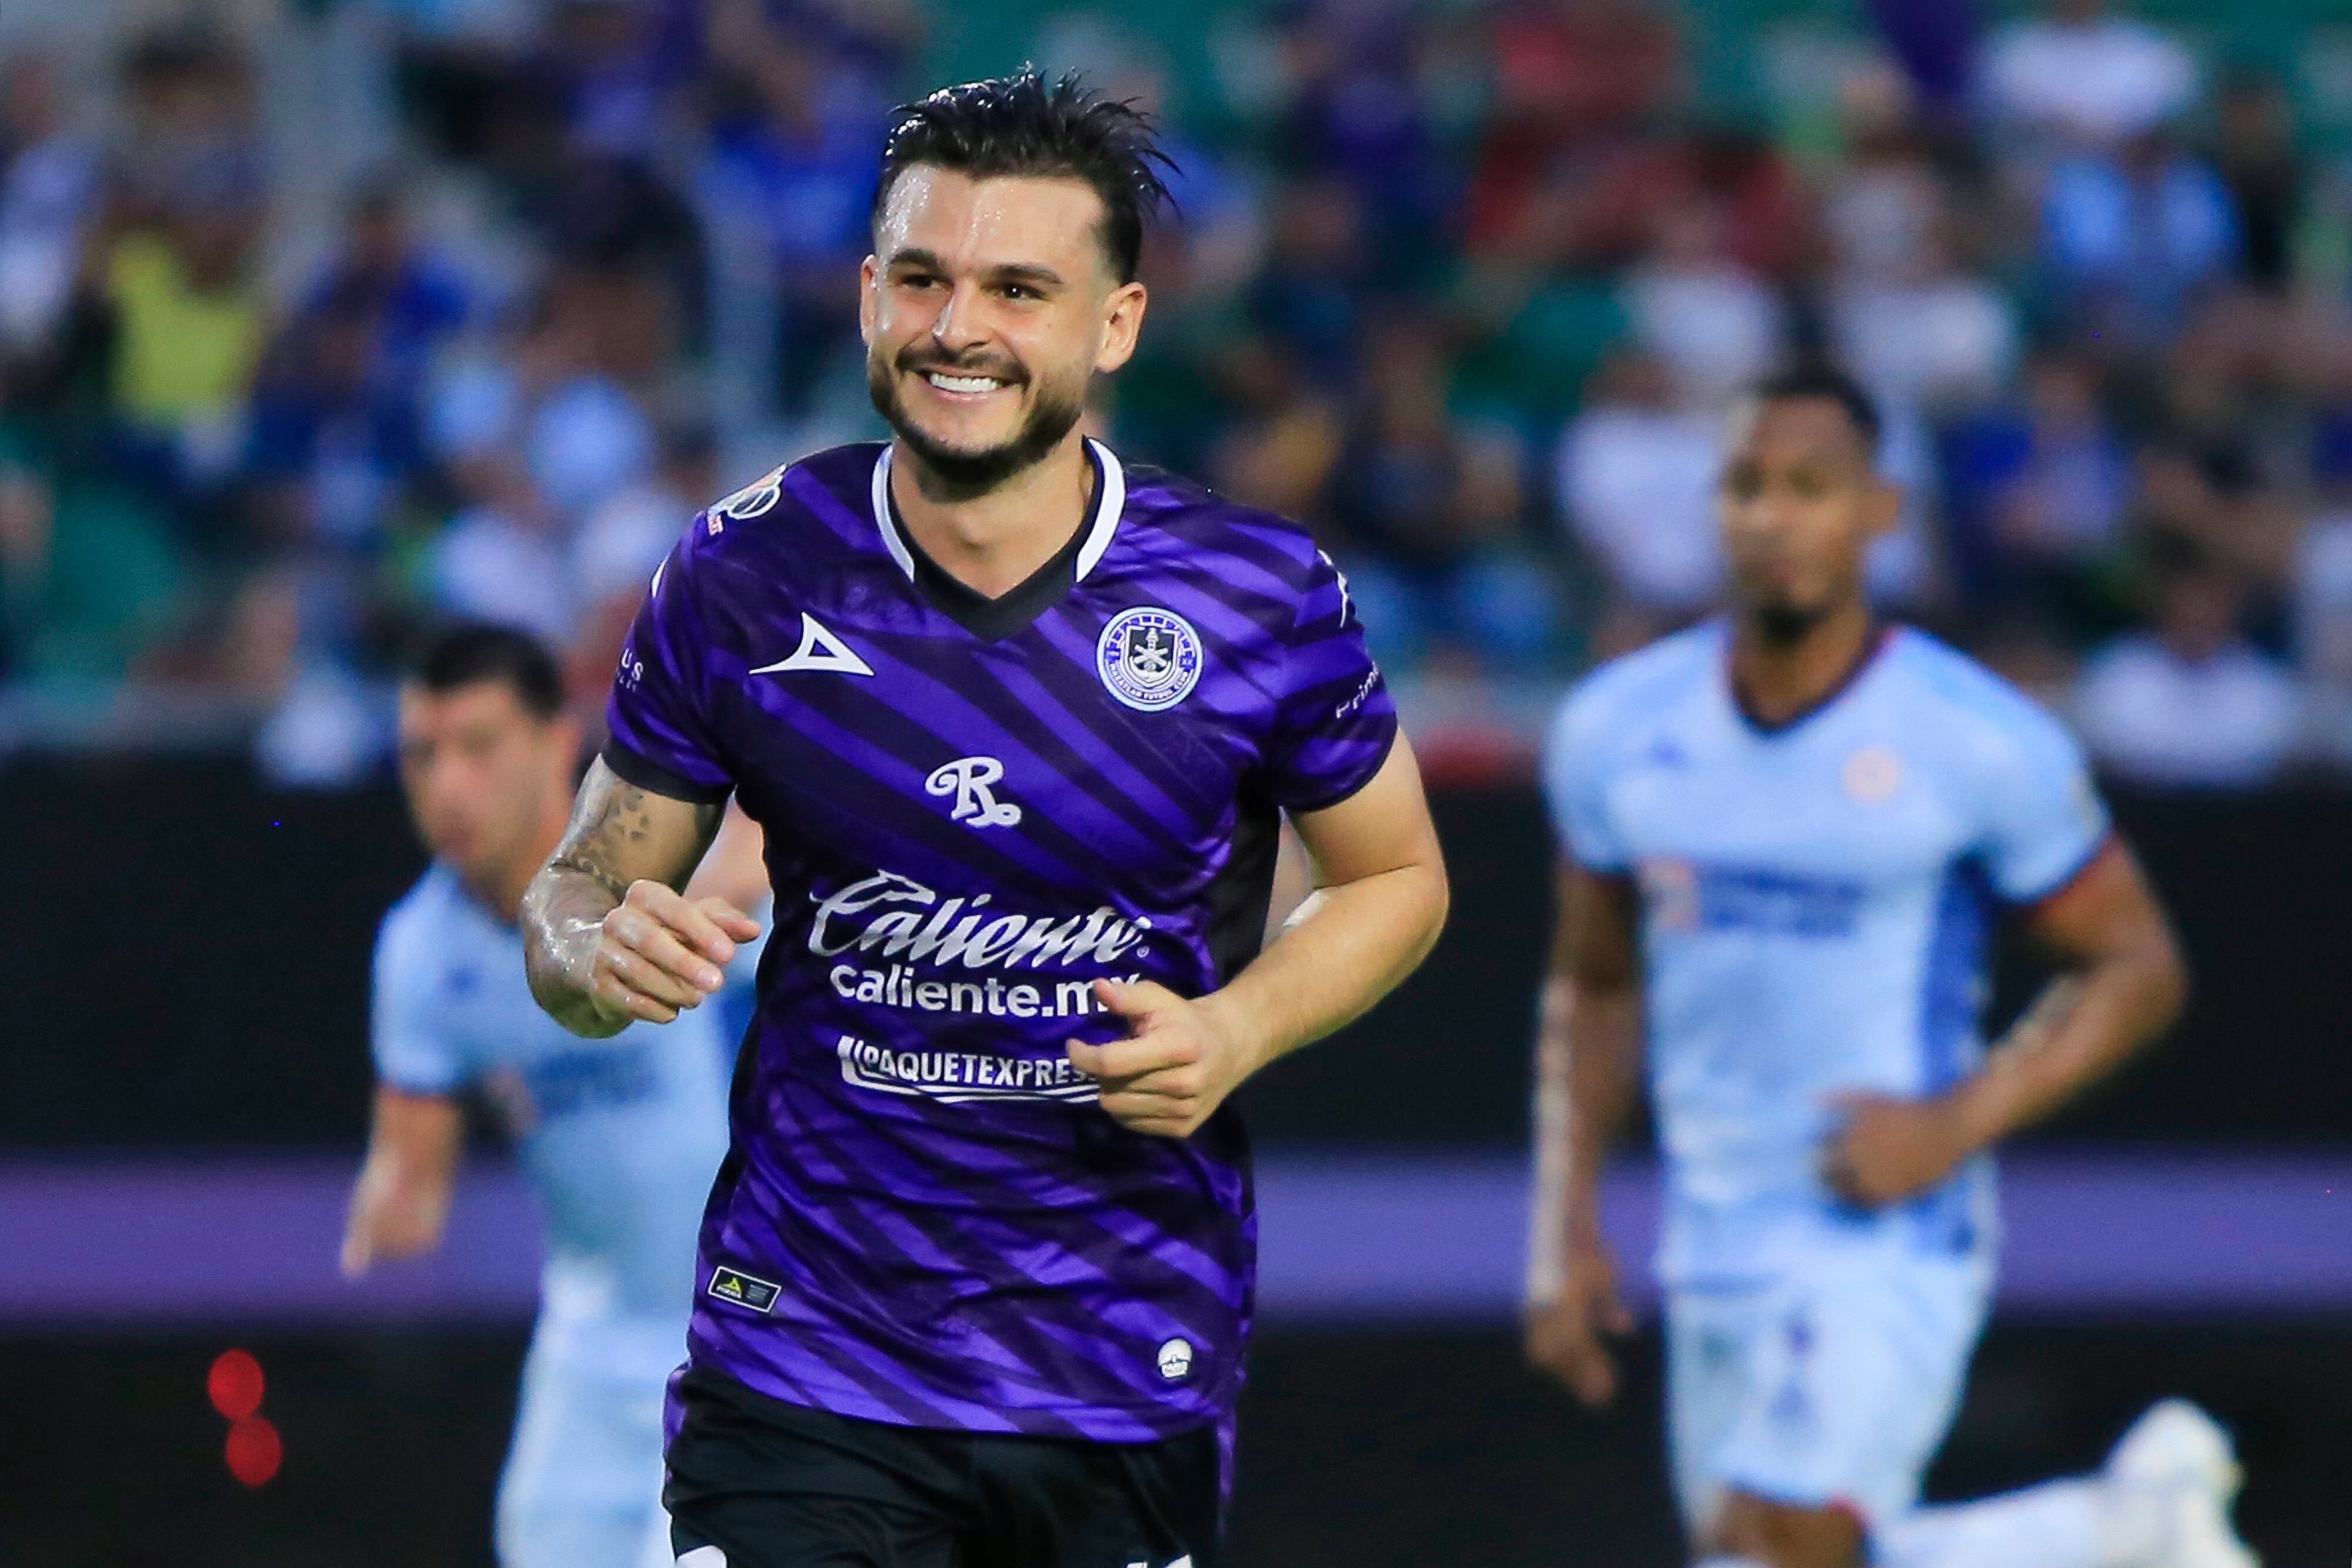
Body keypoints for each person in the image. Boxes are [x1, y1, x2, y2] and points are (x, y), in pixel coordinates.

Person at [519, 72, 1449, 1568]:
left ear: (1116, 323)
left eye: (1018, 287)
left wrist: (1238, 1029)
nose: (959, 328)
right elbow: (569, 899)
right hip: (805, 1349)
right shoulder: (740, 575)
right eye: (922, 277)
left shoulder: (1251, 596)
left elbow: (1398, 874)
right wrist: (592, 946)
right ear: (871, 292)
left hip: (1111, 1348)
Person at [1524, 366, 2256, 1568]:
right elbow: (1593, 982)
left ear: (1879, 511)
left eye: (1809, 486)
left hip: (1883, 1223)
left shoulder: (1973, 740)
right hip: (1710, 1229)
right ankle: (2111, 1530)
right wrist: (1564, 1224)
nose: (1771, 515)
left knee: (1772, 1538)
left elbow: (2136, 965)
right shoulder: (1617, 728)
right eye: (1746, 485)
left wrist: (1955, 1118)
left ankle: (2113, 1529)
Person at [343, 623, 731, 1568]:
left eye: (478, 747)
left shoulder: (688, 863)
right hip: (588, 1355)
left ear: (562, 742)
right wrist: (386, 1215)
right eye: (422, 755)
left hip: (737, 1348)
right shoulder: (420, 955)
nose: (447, 786)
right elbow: (408, 1185)